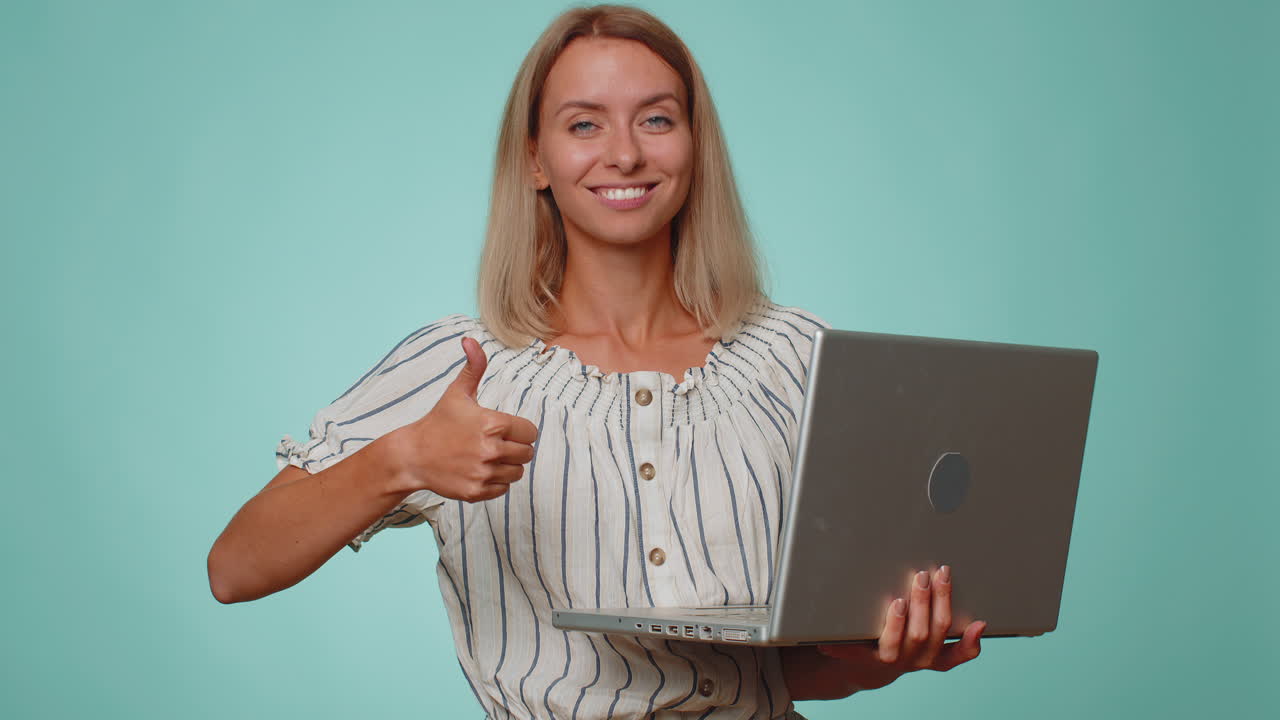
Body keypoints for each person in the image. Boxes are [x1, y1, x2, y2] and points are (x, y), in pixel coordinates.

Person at [206, 5, 985, 718]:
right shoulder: (466, 366)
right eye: (584, 125)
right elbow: (235, 568)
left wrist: (884, 657)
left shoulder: (796, 357)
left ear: (693, 145)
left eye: (656, 119)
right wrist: (402, 459)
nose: (624, 153)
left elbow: (782, 670)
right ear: (535, 160)